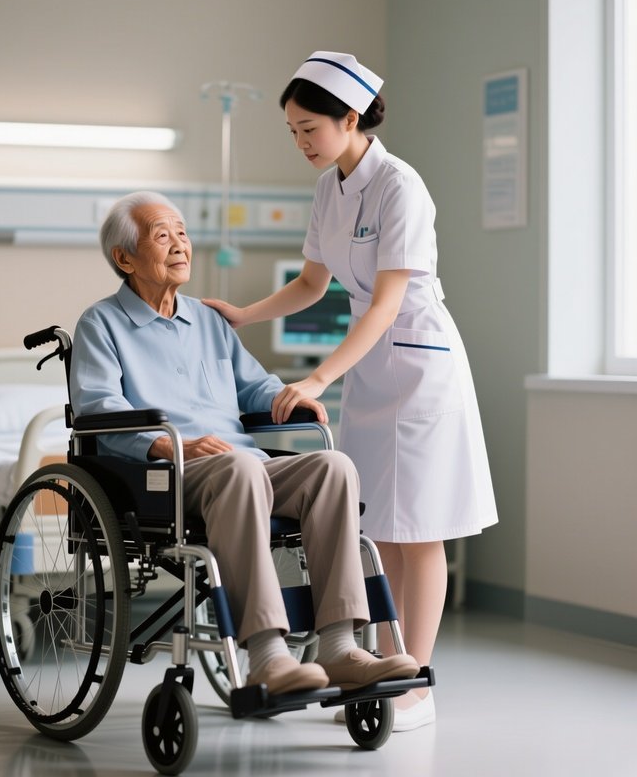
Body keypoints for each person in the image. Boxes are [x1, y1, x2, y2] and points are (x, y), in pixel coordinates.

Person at [203, 51, 498, 730]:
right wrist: (246, 314)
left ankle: (416, 686)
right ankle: (388, 671)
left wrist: (316, 377)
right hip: (372, 374)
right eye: (293, 131)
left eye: (310, 128)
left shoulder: (400, 186)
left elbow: (385, 306)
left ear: (351, 117)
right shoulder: (330, 187)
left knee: (420, 533)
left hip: (420, 370)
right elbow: (313, 284)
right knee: (382, 532)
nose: (302, 142)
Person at [70, 190, 420, 697]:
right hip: (166, 477)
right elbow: (97, 409)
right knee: (241, 469)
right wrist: (170, 446)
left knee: (333, 467)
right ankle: (267, 655)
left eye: (183, 233)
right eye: (162, 235)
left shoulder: (208, 321)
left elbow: (252, 385)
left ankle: (340, 647)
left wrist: (288, 396)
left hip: (241, 465)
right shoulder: (101, 324)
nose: (180, 245)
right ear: (124, 258)